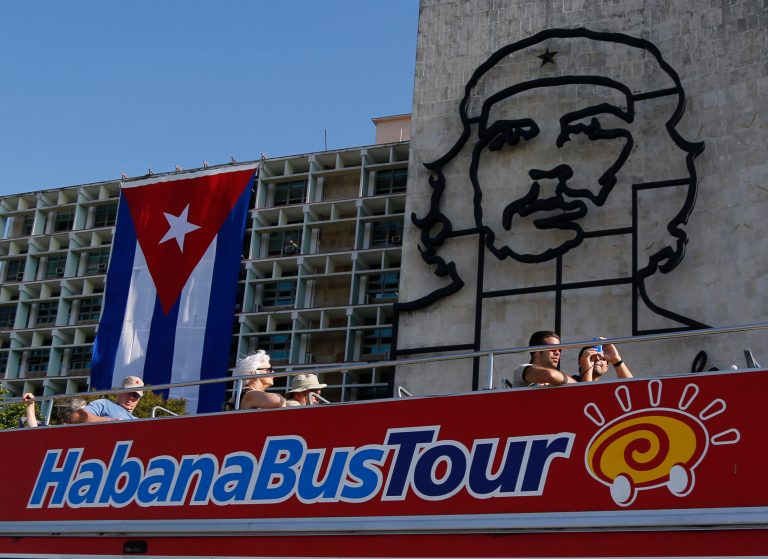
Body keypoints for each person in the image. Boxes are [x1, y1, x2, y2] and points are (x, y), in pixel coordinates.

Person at [513, 331, 632, 387]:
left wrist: (616, 360)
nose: (557, 353)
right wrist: (582, 376)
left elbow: (633, 390)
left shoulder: (567, 381)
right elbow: (551, 376)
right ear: (537, 351)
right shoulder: (522, 369)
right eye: (553, 349)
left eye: (559, 349)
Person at [69, 375, 144, 422]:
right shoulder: (105, 404)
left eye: (135, 395)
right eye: (129, 392)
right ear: (120, 392)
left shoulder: (137, 421)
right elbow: (76, 416)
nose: (131, 397)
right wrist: (109, 421)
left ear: (138, 400)